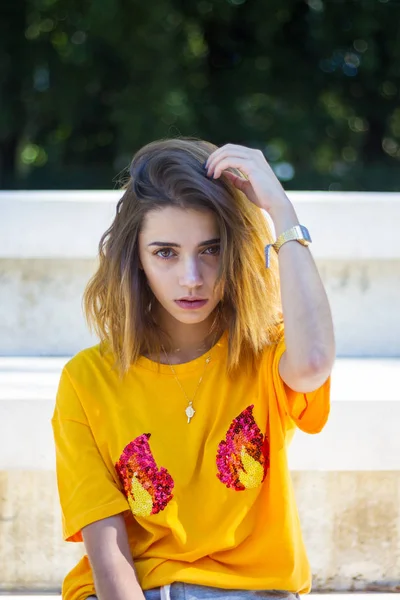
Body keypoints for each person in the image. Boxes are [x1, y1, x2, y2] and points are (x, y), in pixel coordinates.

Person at [51, 138, 335, 600]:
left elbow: (314, 364)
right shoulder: (86, 380)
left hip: (254, 591)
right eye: (165, 252)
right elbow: (106, 547)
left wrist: (280, 210)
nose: (191, 278)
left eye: (211, 249)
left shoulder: (266, 352)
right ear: (136, 260)